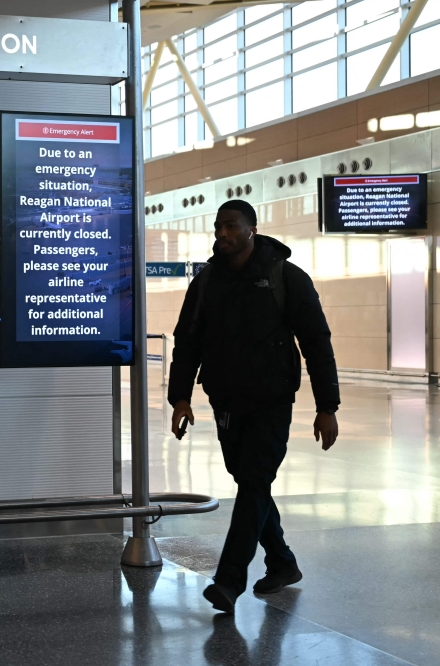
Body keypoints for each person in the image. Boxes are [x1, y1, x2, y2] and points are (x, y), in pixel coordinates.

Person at [168, 199, 340, 614]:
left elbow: (316, 342)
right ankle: (282, 562)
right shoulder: (207, 281)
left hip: (272, 400)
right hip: (226, 400)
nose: (222, 235)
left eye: (231, 226)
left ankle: (229, 581)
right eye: (217, 228)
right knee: (248, 479)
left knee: (253, 481)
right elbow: (187, 342)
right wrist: (181, 397)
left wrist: (327, 405)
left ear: (252, 229)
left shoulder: (286, 277)